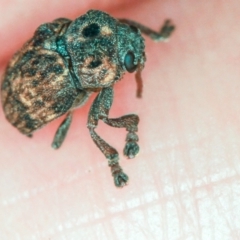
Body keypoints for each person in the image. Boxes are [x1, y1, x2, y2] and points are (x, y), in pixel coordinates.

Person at [0, 1, 239, 239]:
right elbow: (96, 119)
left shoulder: (63, 30)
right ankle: (110, 157)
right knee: (95, 122)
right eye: (130, 60)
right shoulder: (74, 71)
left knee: (120, 32)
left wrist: (151, 35)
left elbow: (121, 29)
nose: (131, 46)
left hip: (17, 77)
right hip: (23, 111)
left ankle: (156, 38)